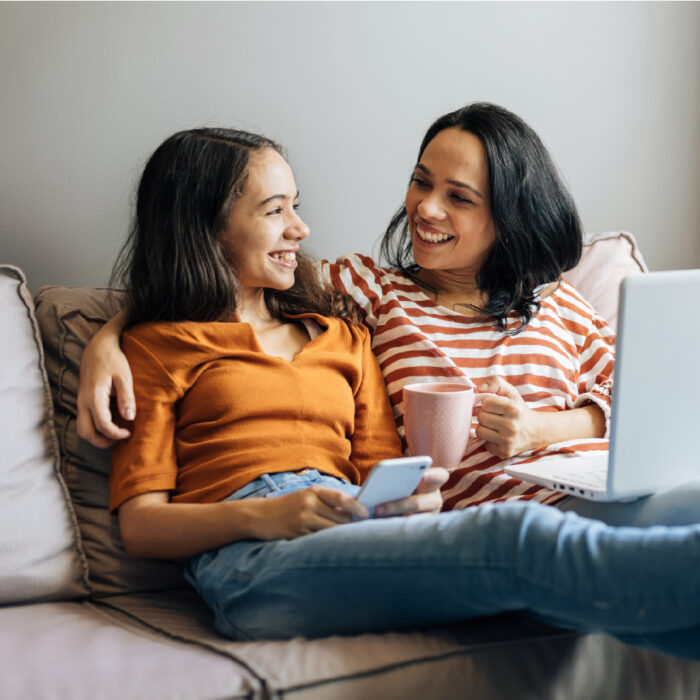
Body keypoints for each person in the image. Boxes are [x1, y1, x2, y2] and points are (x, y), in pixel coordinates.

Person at [80, 118, 700, 659]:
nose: (301, 228)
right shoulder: (355, 297)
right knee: (518, 540)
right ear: (205, 228)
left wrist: (423, 494)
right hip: (253, 555)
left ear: (508, 218)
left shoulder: (341, 337)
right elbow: (142, 527)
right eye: (276, 211)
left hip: (378, 527)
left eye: (459, 197)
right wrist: (111, 338)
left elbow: (385, 474)